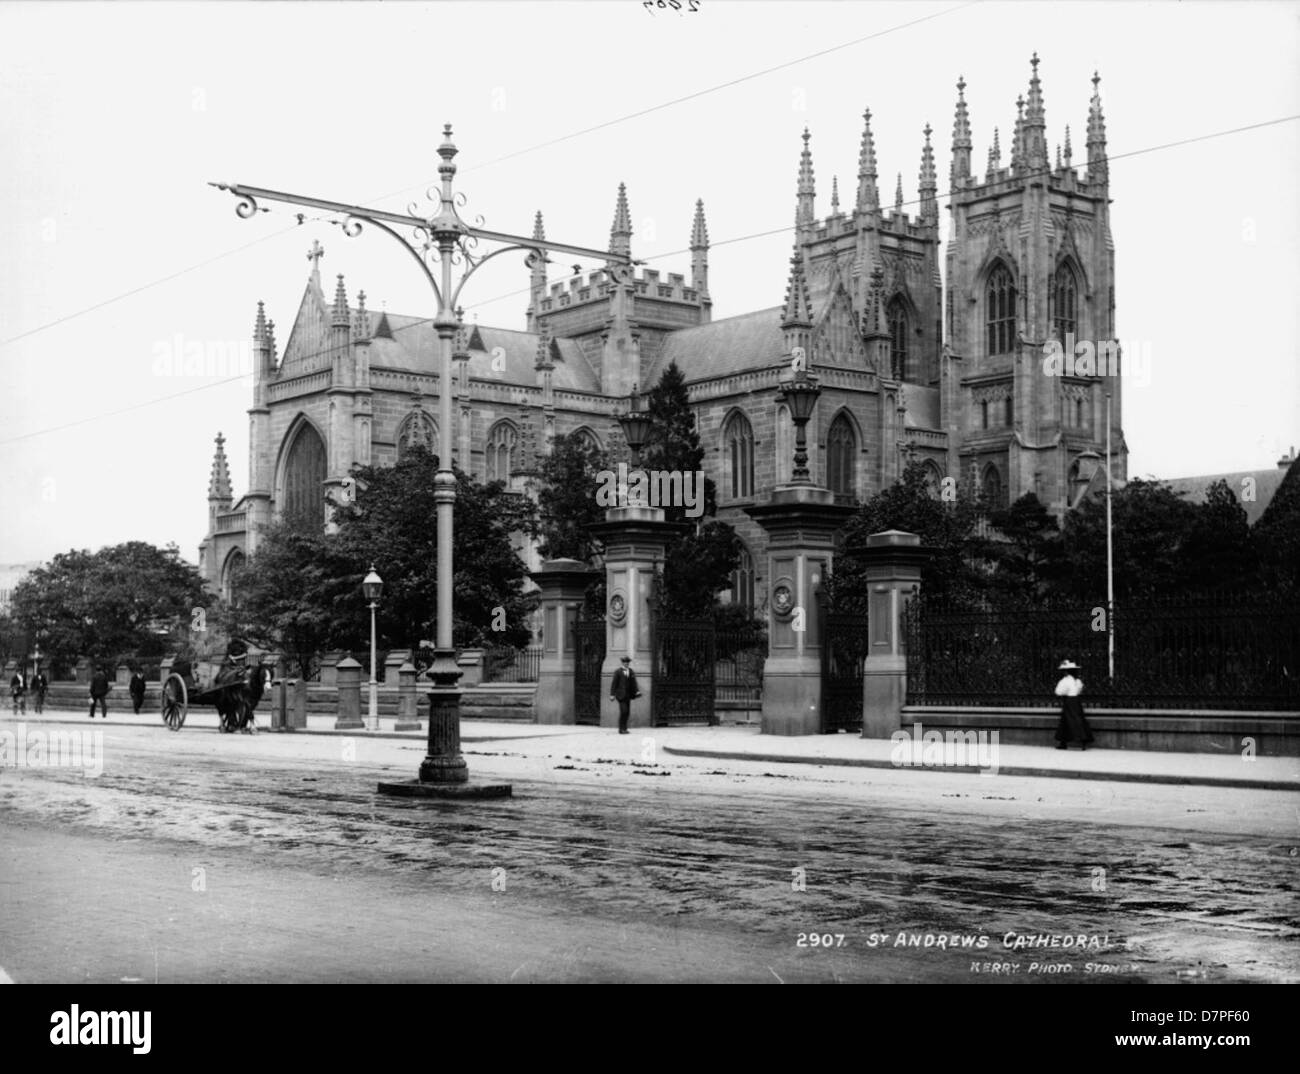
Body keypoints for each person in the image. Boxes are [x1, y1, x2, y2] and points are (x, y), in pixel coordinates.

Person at [1054, 659, 1093, 750]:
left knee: (1068, 721)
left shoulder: (1065, 680)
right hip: (1076, 701)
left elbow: (1059, 691)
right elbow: (1079, 689)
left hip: (1069, 701)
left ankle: (1065, 742)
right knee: (1077, 720)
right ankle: (1080, 741)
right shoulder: (1077, 680)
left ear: (1066, 671)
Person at [609, 655, 641, 734]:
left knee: (627, 712)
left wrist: (637, 691)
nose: (626, 664)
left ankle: (624, 728)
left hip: (628, 695)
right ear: (622, 663)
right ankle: (621, 729)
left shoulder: (631, 671)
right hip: (620, 695)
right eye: (625, 662)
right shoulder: (618, 672)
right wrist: (612, 694)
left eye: (627, 663)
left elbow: (634, 683)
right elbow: (614, 684)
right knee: (624, 711)